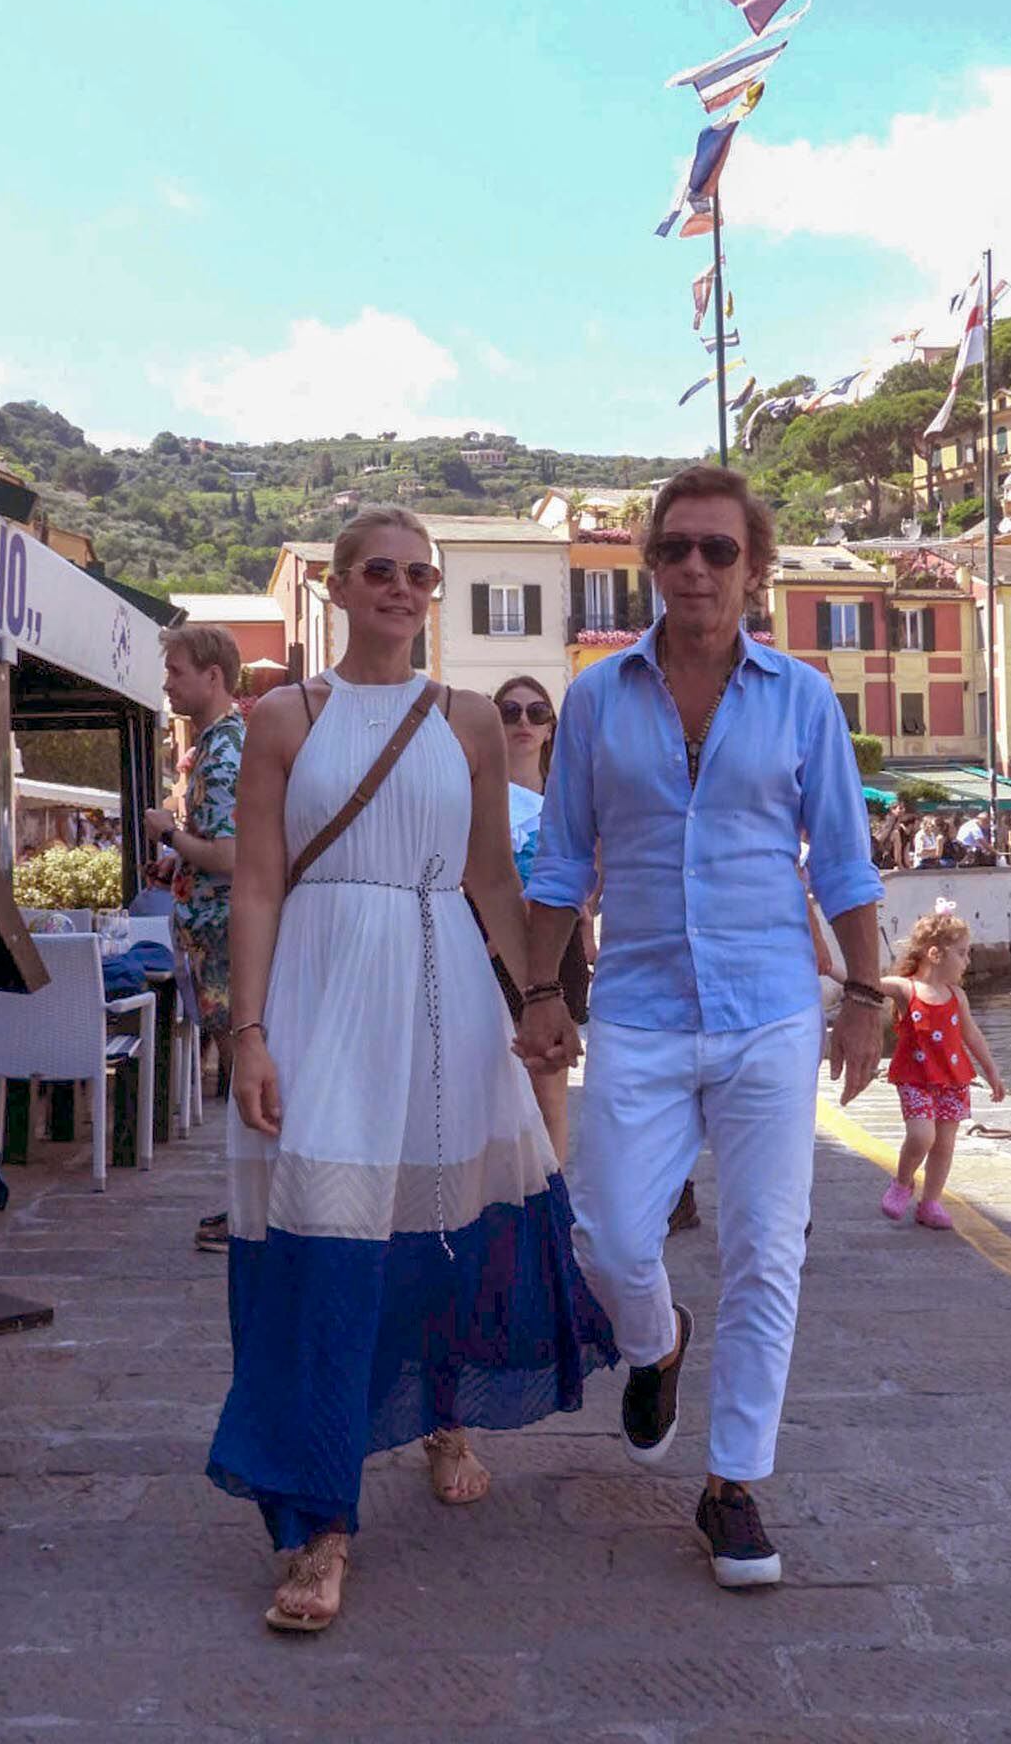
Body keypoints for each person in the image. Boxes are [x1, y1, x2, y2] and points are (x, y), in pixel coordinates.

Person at [207, 506, 614, 1634]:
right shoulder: (285, 716)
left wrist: (538, 995)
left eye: (419, 575)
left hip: (442, 990)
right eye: (377, 571)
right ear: (338, 588)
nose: (400, 588)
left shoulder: (469, 718)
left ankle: (444, 1413)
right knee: (323, 1239)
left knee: (444, 1224)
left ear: (434, 593)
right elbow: (257, 884)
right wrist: (249, 1033)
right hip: (323, 986)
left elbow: (491, 877)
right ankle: (319, 1523)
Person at [517, 465, 883, 1589]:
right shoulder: (596, 699)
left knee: (767, 1249)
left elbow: (844, 860)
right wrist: (538, 992)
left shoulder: (802, 699)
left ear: (754, 570)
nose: (694, 567)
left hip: (770, 1007)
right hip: (638, 1006)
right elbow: (562, 861)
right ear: (651, 565)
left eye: (718, 550)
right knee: (605, 1239)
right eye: (675, 547)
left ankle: (733, 1484)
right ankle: (657, 1341)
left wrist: (867, 999)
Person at [144, 625, 245, 1258]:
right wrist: (180, 862)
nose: (168, 683)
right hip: (218, 939)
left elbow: (231, 858)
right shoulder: (216, 745)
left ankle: (252, 1212)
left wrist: (167, 833)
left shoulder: (225, 752)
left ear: (213, 676)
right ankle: (250, 1206)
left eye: (176, 671)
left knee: (245, 1072)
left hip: (229, 943)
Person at [474, 673, 590, 1166]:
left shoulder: (571, 797)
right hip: (484, 948)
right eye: (510, 712)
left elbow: (596, 866)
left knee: (549, 1094)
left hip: (555, 949)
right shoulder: (472, 795)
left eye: (537, 712)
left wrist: (583, 915)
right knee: (485, 1089)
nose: (524, 721)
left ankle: (553, 1198)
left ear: (550, 728)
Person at [878, 905, 1005, 1230]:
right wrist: (828, 967)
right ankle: (903, 1182)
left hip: (952, 1079)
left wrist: (991, 1071)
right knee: (922, 1135)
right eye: (961, 953)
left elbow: (971, 1035)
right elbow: (866, 983)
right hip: (915, 1077)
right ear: (935, 954)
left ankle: (930, 1203)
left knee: (944, 1144)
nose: (967, 961)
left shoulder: (956, 996)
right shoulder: (907, 989)